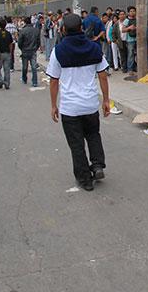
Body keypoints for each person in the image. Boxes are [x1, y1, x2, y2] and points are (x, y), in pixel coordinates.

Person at [46, 13, 111, 191]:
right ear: (82, 28)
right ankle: (97, 165)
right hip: (90, 104)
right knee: (93, 135)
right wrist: (106, 100)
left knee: (76, 144)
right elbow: (103, 76)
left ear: (63, 30)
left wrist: (53, 105)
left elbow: (53, 80)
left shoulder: (58, 51)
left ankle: (85, 180)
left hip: (70, 108)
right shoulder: (94, 48)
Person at [18, 16, 41, 87]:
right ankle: (35, 82)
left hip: (25, 51)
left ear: (24, 22)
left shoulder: (22, 31)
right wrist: (35, 48)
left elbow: (19, 42)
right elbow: (38, 42)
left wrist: (22, 49)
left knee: (25, 66)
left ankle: (24, 78)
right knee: (34, 67)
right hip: (33, 50)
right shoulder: (36, 30)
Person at [0, 19, 14, 89]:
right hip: (7, 53)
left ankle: (0, 80)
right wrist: (10, 53)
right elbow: (11, 44)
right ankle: (7, 83)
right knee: (7, 69)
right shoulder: (8, 33)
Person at [121, 7, 138, 74]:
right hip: (130, 40)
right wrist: (129, 28)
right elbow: (122, 30)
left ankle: (136, 67)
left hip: (138, 39)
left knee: (137, 55)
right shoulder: (126, 20)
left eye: (134, 11)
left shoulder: (137, 19)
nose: (132, 12)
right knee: (130, 55)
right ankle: (130, 69)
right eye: (131, 11)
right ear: (128, 13)